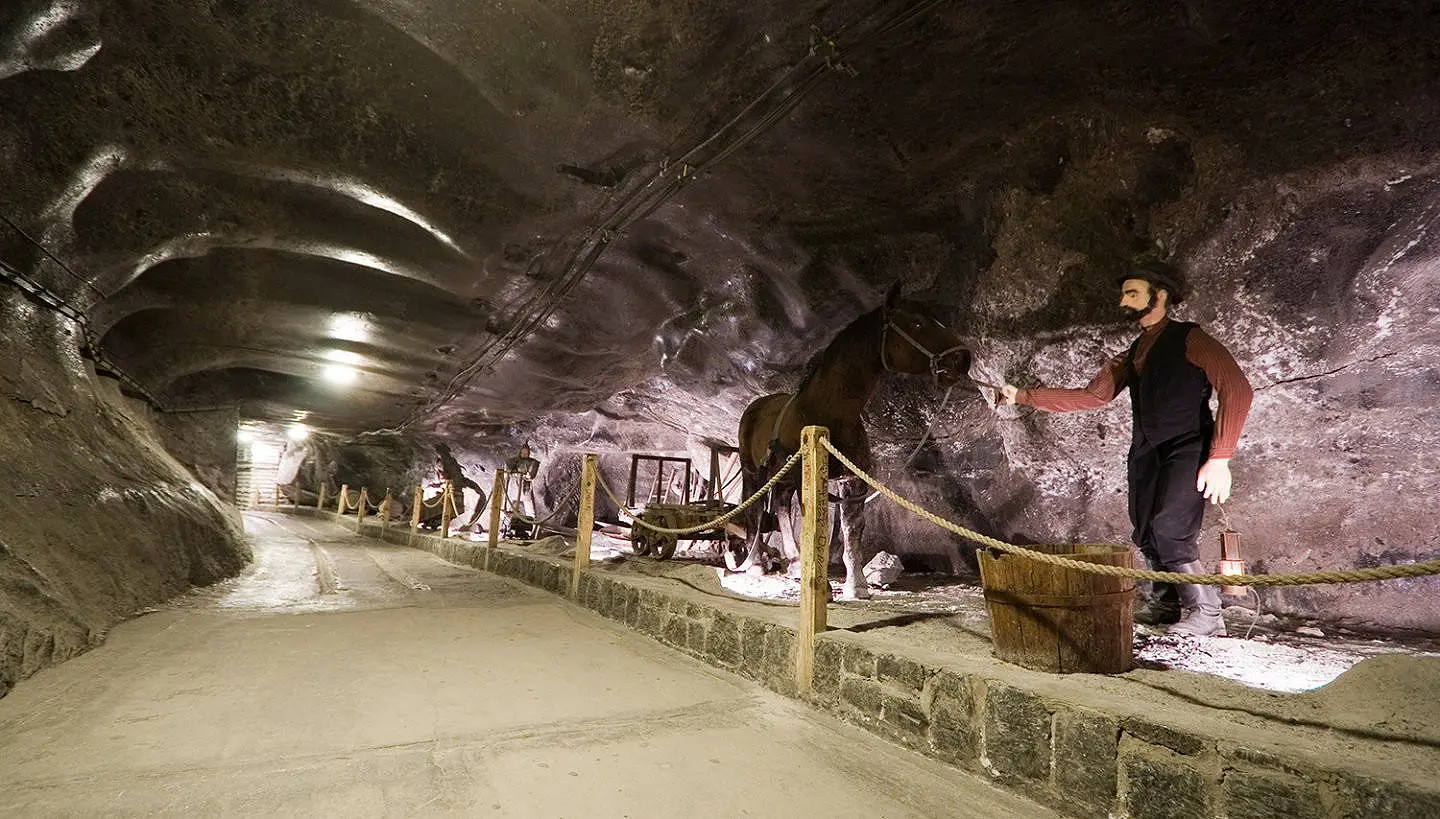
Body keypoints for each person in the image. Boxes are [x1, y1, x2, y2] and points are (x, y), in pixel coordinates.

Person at [997, 259, 1253, 637]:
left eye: (1132, 293)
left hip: (1188, 446)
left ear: (1160, 295)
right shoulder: (1134, 351)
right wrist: (1022, 396)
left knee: (1170, 528)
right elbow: (1093, 395)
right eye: (1124, 295)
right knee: (1145, 528)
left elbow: (1237, 388)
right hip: (1147, 451)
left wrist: (1220, 458)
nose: (1123, 302)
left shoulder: (1190, 338)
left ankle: (1208, 613)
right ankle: (1166, 603)